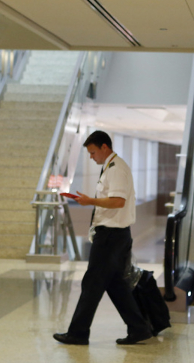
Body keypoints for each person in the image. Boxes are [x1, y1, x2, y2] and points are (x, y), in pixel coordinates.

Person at [53, 130, 152, 345]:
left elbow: (118, 201)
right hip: (114, 236)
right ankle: (139, 328)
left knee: (92, 283)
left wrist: (90, 201)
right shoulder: (110, 167)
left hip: (110, 237)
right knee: (115, 284)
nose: (91, 157)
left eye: (93, 152)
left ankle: (78, 333)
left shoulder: (116, 169)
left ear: (104, 147)